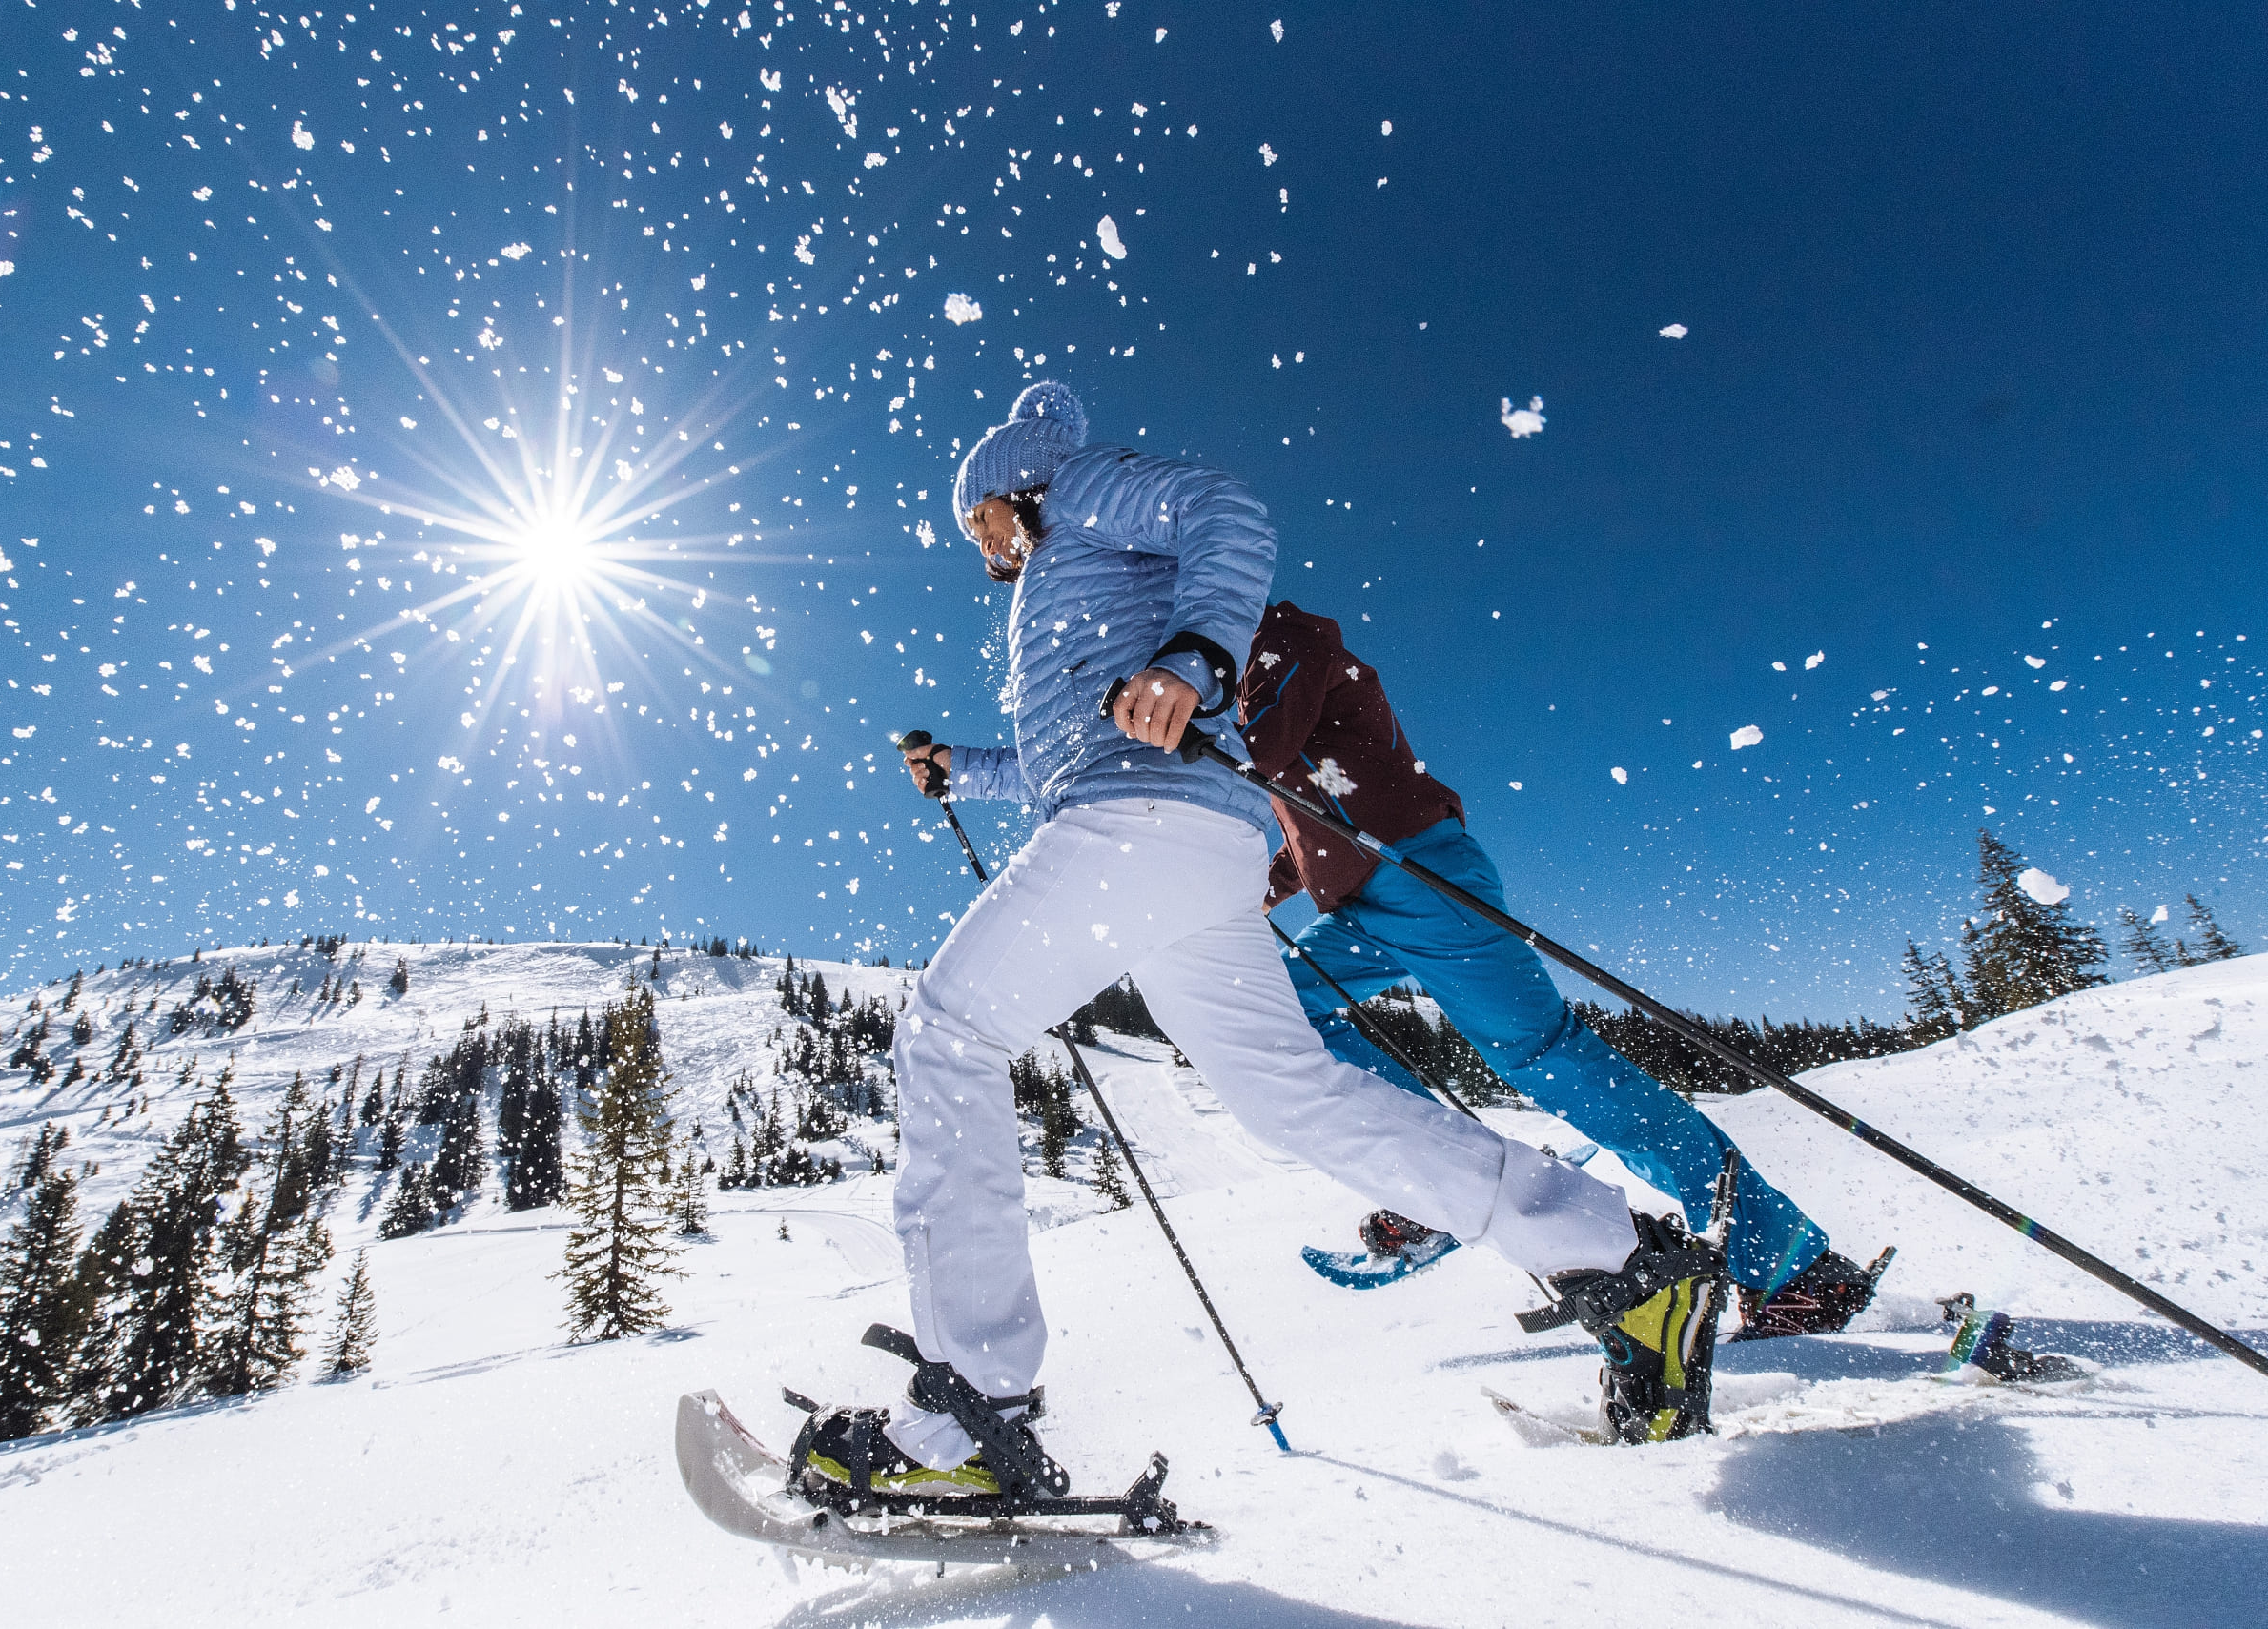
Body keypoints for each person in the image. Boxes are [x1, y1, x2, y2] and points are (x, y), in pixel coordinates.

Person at [789, 381, 1734, 1509]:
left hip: (1142, 822)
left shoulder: (1083, 496)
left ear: (1012, 487)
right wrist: (965, 766)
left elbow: (1226, 512)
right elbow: (1074, 746)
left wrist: (1196, 657)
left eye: (978, 519)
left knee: (946, 1030)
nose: (978, 544)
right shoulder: (1066, 579)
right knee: (1297, 1098)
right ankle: (1618, 1262)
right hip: (1183, 840)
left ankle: (970, 1409)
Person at [1240, 598, 1883, 1339]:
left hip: (1420, 877)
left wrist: (1179, 714)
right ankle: (1430, 1180)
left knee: (1553, 1062)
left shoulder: (1284, 634)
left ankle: (1789, 1266)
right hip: (1367, 897)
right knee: (1284, 1009)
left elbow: (1264, 744)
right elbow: (1310, 807)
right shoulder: (1255, 668)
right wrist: (1264, 884)